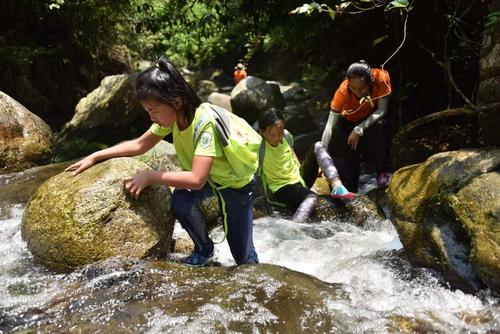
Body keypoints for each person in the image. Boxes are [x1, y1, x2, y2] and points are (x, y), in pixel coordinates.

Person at [65, 55, 259, 267]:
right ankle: (204, 249)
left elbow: (196, 179)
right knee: (181, 202)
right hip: (212, 178)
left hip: (234, 184)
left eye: (153, 111)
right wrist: (95, 156)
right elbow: (140, 145)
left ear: (176, 102)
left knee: (243, 258)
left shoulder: (204, 124)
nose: (151, 117)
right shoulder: (174, 117)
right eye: (148, 111)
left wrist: (151, 176)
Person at [257, 108, 355, 223]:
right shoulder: (259, 148)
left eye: (281, 132)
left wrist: (315, 168)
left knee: (318, 146)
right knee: (311, 198)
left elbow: (292, 158)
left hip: (299, 181)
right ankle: (293, 227)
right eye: (273, 134)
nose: (278, 137)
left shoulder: (287, 136)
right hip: (280, 189)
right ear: (262, 132)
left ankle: (337, 186)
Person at [321, 60, 392, 192]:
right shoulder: (343, 92)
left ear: (370, 83)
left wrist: (360, 128)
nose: (357, 92)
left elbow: (382, 110)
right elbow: (329, 126)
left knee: (382, 126)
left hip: (370, 120)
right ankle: (352, 192)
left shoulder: (381, 78)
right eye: (353, 88)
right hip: (347, 122)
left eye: (362, 88)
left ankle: (382, 174)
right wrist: (322, 156)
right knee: (350, 163)